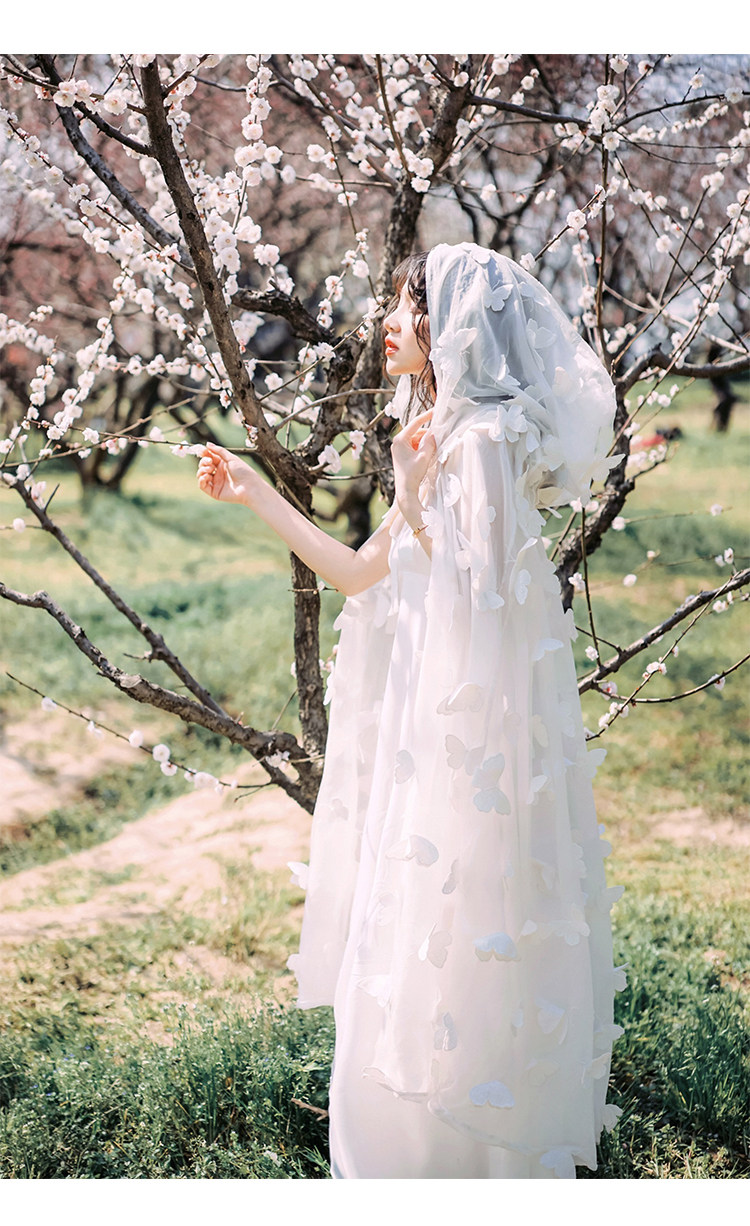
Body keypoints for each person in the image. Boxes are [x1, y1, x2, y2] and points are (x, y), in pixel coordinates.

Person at [197, 241, 625, 1179]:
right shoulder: (443, 433)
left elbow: (486, 602)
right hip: (422, 725)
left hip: (466, 738)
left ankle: (462, 1156)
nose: (387, 324)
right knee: (408, 923)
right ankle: (397, 1151)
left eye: (404, 307)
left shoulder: (484, 440)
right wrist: (254, 491)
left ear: (450, 324)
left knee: (463, 921)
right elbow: (359, 573)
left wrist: (414, 487)